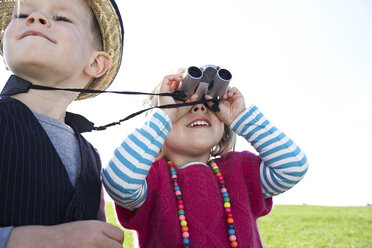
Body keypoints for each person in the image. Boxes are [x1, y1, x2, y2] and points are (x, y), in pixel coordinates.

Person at [102, 69, 309, 247]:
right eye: (181, 102)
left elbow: (293, 167)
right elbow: (119, 183)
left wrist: (241, 117)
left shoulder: (240, 170)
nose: (199, 107)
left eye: (209, 103)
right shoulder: (152, 179)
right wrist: (165, 115)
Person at [0, 0, 124, 247]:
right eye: (23, 14)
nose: (34, 18)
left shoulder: (91, 156)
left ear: (96, 63)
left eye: (62, 18)